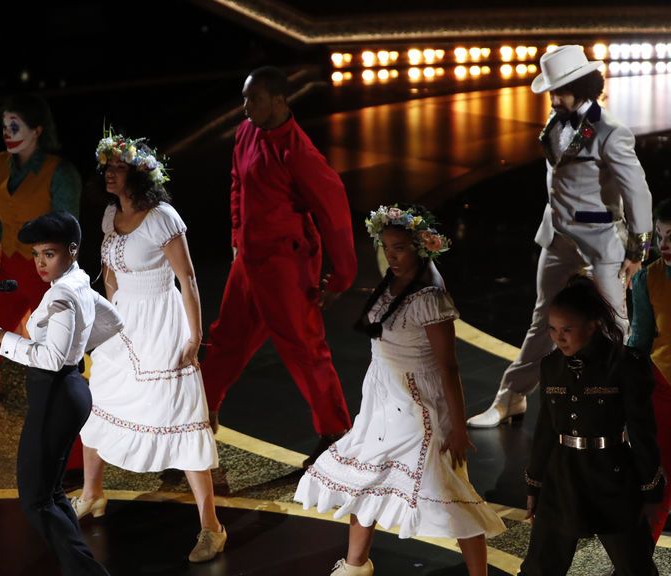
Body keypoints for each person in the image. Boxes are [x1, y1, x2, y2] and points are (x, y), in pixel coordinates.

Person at [296, 205, 504, 576]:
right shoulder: (389, 285)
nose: (391, 256)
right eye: (387, 247)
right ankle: (355, 564)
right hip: (381, 398)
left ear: (420, 249)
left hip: (416, 405)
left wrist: (457, 428)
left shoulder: (428, 297)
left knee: (447, 490)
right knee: (367, 475)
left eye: (400, 248)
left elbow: (448, 367)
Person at [468, 44, 652, 428]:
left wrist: (638, 248)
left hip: (600, 241)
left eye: (559, 91)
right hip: (556, 238)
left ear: (582, 87)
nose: (552, 99)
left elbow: (637, 191)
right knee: (542, 322)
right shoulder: (556, 123)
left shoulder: (610, 132)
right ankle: (511, 397)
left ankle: (623, 401)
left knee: (614, 324)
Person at [73, 132, 225, 562]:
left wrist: (194, 337)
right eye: (106, 168)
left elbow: (188, 279)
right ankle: (92, 493)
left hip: (161, 320)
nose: (109, 174)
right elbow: (110, 276)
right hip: (124, 323)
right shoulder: (108, 216)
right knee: (99, 400)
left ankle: (211, 527)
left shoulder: (162, 217)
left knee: (180, 416)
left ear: (138, 174)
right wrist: (105, 322)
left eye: (117, 167)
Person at [201, 66, 357, 466]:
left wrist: (341, 275)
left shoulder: (298, 152)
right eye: (245, 97)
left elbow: (334, 209)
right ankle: (198, 419)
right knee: (225, 340)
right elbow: (237, 182)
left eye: (253, 98)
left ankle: (336, 435)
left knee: (304, 349)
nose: (245, 106)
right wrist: (237, 237)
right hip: (250, 261)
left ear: (278, 100)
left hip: (287, 265)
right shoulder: (246, 132)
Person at [0, 211, 120, 576]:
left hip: (56, 394)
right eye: (37, 254)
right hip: (68, 391)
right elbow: (112, 320)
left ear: (72, 250)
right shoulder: (79, 282)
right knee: (52, 494)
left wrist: (2, 338)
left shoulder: (62, 295)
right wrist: (77, 349)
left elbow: (52, 359)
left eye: (49, 254)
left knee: (36, 499)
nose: (40, 262)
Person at [0, 93, 81, 463]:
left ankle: (73, 454)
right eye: (4, 125)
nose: (8, 133)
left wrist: (64, 289)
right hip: (9, 270)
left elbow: (69, 233)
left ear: (37, 130)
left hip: (47, 276)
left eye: (16, 126)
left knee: (58, 362)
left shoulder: (59, 173)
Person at [520, 276, 662, 576]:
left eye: (567, 330)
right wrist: (535, 484)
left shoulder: (625, 364)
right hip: (562, 476)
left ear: (593, 324)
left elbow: (642, 431)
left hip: (612, 476)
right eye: (553, 329)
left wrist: (650, 489)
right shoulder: (551, 366)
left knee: (635, 567)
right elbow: (546, 428)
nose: (559, 338)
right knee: (539, 568)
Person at [628, 198, 671, 542]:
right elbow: (640, 338)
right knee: (660, 479)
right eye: (659, 236)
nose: (664, 245)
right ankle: (637, 561)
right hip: (663, 389)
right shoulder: (647, 279)